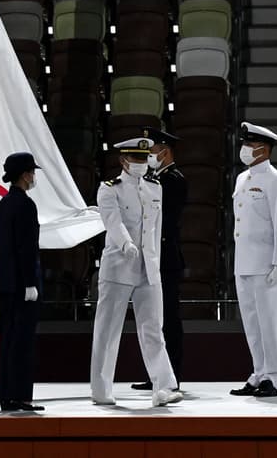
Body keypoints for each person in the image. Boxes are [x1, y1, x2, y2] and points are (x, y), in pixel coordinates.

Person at [90, 138, 183, 408]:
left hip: (148, 268)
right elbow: (113, 221)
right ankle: (101, 389)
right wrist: (125, 243)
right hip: (119, 265)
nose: (142, 163)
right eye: (136, 159)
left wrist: (155, 262)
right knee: (108, 330)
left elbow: (156, 229)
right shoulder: (110, 189)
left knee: (153, 328)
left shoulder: (155, 187)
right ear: (123, 161)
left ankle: (164, 386)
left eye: (144, 158)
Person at [230, 122, 277, 399]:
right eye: (244, 143)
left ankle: (274, 376)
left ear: (263, 149)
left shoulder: (276, 180)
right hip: (243, 260)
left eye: (249, 144)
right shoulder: (242, 179)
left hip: (265, 263)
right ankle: (258, 372)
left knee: (269, 322)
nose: (244, 148)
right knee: (252, 323)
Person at [132, 126, 186, 393]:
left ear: (165, 151)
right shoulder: (153, 179)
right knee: (152, 319)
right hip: (152, 255)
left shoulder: (173, 180)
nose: (149, 157)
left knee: (169, 318)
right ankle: (156, 373)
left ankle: (172, 374)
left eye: (152, 151)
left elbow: (165, 219)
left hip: (166, 257)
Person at [0, 152, 44, 413]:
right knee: (22, 342)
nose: (33, 177)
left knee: (8, 340)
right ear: (25, 175)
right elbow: (25, 248)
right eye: (32, 172)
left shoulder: (3, 204)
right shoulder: (25, 204)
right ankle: (20, 395)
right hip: (21, 285)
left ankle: (7, 394)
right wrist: (29, 282)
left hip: (6, 283)